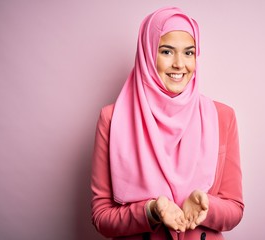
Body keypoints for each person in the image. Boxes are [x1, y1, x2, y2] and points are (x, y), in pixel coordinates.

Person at [91, 6, 244, 240]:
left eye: (189, 53)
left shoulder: (222, 117)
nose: (179, 64)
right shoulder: (112, 119)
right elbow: (102, 217)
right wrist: (151, 211)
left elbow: (234, 209)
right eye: (166, 52)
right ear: (147, 54)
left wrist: (207, 207)